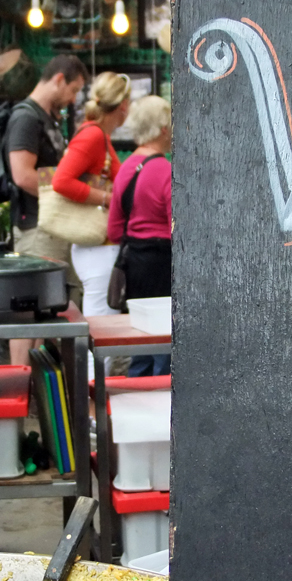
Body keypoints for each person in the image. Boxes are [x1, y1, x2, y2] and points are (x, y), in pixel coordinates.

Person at [3, 55, 87, 364]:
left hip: (49, 224)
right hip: (36, 225)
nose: (74, 99)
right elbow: (23, 174)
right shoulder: (26, 117)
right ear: (59, 79)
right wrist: (66, 187)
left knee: (47, 307)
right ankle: (23, 386)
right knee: (28, 310)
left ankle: (39, 389)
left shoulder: (47, 117)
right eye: (74, 89)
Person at [53, 72, 130, 318]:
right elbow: (61, 181)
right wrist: (107, 199)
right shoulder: (94, 135)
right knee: (102, 325)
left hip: (97, 244)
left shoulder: (96, 134)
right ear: (123, 106)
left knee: (101, 321)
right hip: (97, 246)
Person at [107, 96, 172, 376]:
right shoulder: (166, 171)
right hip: (163, 263)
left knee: (143, 340)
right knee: (165, 343)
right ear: (162, 129)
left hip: (134, 262)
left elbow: (113, 230)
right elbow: (175, 227)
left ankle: (134, 402)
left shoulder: (125, 169)